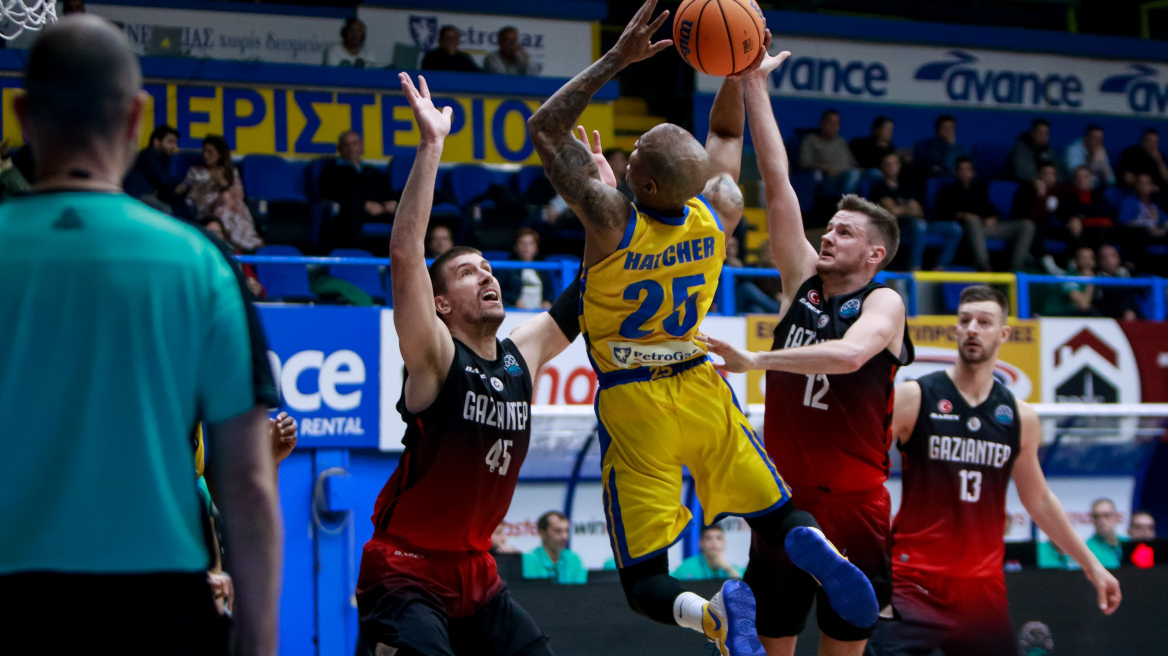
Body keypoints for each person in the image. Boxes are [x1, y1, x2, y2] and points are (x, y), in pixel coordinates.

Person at [528, 7, 877, 654]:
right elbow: (723, 130)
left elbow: (545, 129)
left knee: (644, 581)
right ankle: (817, 550)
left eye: (637, 158)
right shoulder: (716, 209)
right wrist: (738, 68)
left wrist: (617, 61)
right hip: (700, 383)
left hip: (636, 401)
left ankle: (710, 613)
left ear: (646, 182)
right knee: (774, 517)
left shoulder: (611, 221)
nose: (628, 161)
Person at [0, 16, 282, 654]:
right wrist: (258, 641)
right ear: (136, 116)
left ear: (21, 114)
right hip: (160, 613)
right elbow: (246, 482)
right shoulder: (202, 265)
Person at [355, 73, 583, 656]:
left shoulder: (520, 354)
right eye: (467, 271)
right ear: (441, 303)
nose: (487, 274)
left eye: (488, 267)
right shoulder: (434, 355)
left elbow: (585, 295)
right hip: (405, 567)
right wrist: (432, 145)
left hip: (475, 575)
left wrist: (604, 210)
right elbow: (405, 257)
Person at [699, 46, 913, 656]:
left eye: (845, 232)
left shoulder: (885, 303)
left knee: (843, 646)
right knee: (771, 643)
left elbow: (848, 356)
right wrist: (753, 86)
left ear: (874, 254)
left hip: (855, 507)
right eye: (831, 226)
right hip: (785, 505)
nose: (828, 234)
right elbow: (777, 183)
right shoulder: (802, 283)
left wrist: (756, 362)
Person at [867, 285, 1121, 656]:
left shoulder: (1019, 417)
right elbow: (860, 462)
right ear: (955, 329)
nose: (972, 328)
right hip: (914, 582)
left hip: (983, 590)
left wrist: (1093, 566)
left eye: (984, 322)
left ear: (1003, 334)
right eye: (965, 320)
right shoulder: (915, 396)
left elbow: (1039, 500)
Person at [935, 157, 1034, 272]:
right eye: (961, 169)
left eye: (968, 169)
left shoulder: (978, 190)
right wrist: (963, 215)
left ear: (972, 172)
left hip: (985, 228)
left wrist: (993, 217)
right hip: (966, 229)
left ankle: (1017, 268)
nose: (964, 173)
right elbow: (942, 212)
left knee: (1027, 225)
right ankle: (984, 266)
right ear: (956, 172)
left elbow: (992, 210)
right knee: (973, 222)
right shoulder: (947, 191)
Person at [869, 151, 961, 271]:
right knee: (919, 224)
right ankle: (915, 266)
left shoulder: (906, 187)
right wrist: (908, 208)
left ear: (899, 166)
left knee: (954, 229)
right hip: (897, 227)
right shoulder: (878, 187)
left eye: (895, 163)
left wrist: (901, 209)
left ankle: (940, 266)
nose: (892, 167)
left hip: (920, 224)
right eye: (888, 163)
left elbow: (918, 211)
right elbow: (891, 211)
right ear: (882, 167)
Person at [319, 130, 397, 249]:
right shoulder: (332, 170)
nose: (351, 148)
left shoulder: (372, 170)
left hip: (379, 211)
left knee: (404, 208)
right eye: (347, 144)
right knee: (352, 210)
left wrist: (390, 202)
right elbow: (336, 193)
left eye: (355, 144)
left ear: (361, 146)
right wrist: (364, 204)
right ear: (339, 148)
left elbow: (386, 190)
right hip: (351, 212)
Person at [122, 124, 186, 215]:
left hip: (146, 196)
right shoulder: (150, 154)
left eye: (175, 143)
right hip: (137, 196)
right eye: (170, 142)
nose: (174, 147)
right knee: (166, 211)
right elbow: (162, 179)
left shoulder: (164, 158)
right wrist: (183, 180)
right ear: (156, 141)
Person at [1117, 173, 1168, 275]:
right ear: (1136, 185)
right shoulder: (1129, 201)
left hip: (1155, 236)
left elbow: (1165, 222)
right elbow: (1124, 222)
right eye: (1141, 183)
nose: (1144, 186)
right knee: (1142, 232)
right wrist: (1147, 228)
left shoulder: (1155, 204)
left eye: (1147, 183)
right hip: (1137, 236)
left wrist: (1162, 229)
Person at [799, 109, 859, 194]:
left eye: (837, 123)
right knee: (854, 174)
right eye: (830, 123)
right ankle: (846, 201)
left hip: (845, 174)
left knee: (874, 174)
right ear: (821, 123)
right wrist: (825, 167)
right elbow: (804, 162)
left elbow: (849, 160)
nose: (833, 126)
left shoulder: (841, 141)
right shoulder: (811, 140)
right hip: (826, 177)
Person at [522, 511, 588, 584]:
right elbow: (531, 592)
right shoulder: (529, 560)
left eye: (567, 531)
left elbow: (581, 592)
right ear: (542, 533)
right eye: (558, 531)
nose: (564, 537)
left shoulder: (574, 558)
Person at [498, 228, 555, 310]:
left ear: (536, 248)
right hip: (515, 312)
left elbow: (550, 293)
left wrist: (547, 301)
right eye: (522, 243)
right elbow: (499, 293)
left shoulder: (543, 269)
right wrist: (513, 301)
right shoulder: (507, 268)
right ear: (515, 247)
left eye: (531, 243)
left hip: (539, 313)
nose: (526, 247)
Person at [1041, 247, 1100, 317]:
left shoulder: (1100, 277)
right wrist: (1090, 282)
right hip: (1055, 316)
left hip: (1075, 316)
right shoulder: (1069, 276)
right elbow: (1084, 305)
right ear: (1075, 261)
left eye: (1091, 258)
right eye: (1083, 257)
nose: (1087, 261)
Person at [673, 525, 742, 581]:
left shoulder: (735, 569)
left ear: (724, 543)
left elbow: (744, 592)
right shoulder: (686, 568)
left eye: (719, 538)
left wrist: (729, 569)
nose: (714, 542)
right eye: (709, 538)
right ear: (701, 542)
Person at [1095, 243, 1140, 320]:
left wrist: (1130, 310)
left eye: (1113, 256)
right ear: (1099, 261)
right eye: (1105, 257)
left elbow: (1131, 299)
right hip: (1107, 318)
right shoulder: (1096, 279)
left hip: (1131, 316)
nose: (1109, 260)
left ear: (1118, 257)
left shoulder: (1127, 275)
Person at [1006, 118, 1058, 182]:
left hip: (1044, 183)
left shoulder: (1049, 149)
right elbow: (1022, 172)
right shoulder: (1020, 148)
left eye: (1046, 133)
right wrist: (1038, 179)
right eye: (1040, 133)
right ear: (1032, 133)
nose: (1043, 136)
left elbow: (1055, 169)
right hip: (1018, 184)